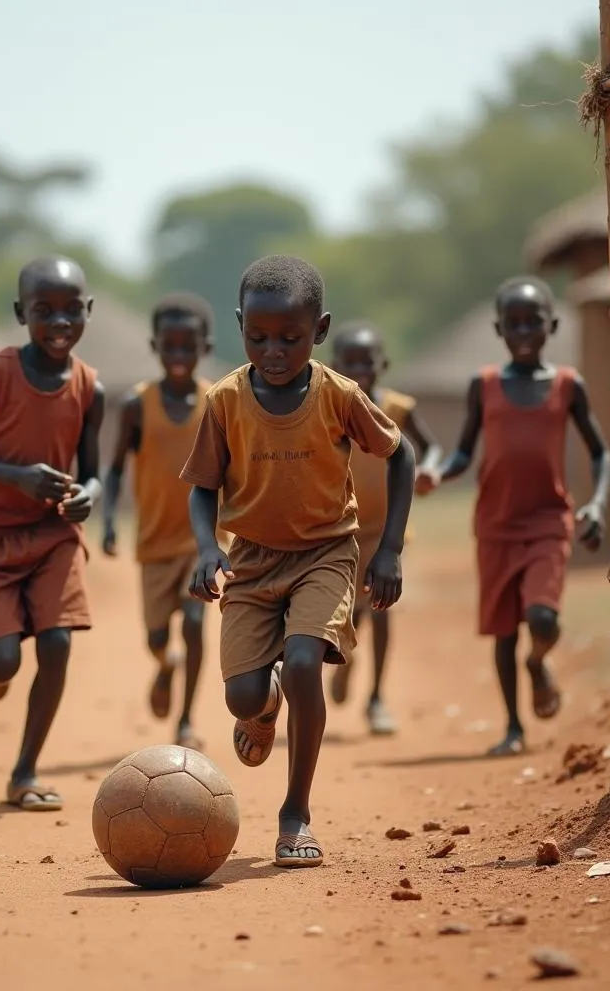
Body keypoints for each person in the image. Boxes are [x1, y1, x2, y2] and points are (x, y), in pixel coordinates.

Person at [180, 254, 415, 869]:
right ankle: (264, 707)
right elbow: (203, 486)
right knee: (241, 696)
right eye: (258, 337)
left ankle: (295, 814)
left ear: (321, 329)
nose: (274, 350)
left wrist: (388, 547)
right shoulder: (225, 400)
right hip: (252, 561)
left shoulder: (340, 395)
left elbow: (400, 453)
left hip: (325, 552)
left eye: (291, 337)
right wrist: (208, 548)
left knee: (307, 660)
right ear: (240, 327)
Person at [416, 276, 610, 757]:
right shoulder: (484, 386)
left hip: (548, 520)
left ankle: (538, 663)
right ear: (499, 329)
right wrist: (438, 473)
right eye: (514, 324)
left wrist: (597, 504)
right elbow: (463, 452)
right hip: (496, 525)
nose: (524, 332)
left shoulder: (567, 386)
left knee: (542, 619)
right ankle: (513, 726)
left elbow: (600, 453)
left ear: (553, 325)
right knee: (504, 631)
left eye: (534, 322)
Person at [0, 254, 104, 811]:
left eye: (71, 310)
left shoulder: (89, 388)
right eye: (44, 310)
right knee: (4, 662)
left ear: (88, 311)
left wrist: (89, 497)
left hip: (53, 534)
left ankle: (25, 772)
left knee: (57, 643)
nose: (60, 322)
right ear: (20, 313)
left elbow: (95, 470)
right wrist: (18, 479)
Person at [101, 292, 216, 751]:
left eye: (188, 347)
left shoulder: (217, 402)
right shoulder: (136, 405)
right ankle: (164, 665)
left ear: (204, 346)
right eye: (170, 347)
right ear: (155, 347)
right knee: (155, 636)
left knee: (193, 622)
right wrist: (107, 519)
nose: (179, 356)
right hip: (152, 543)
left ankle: (186, 719)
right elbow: (113, 471)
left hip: (199, 540)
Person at [328, 322, 441, 735]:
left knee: (381, 609)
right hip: (339, 529)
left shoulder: (395, 409)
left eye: (367, 362)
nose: (359, 370)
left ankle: (376, 697)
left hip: (385, 530)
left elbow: (430, 447)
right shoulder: (330, 408)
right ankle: (345, 659)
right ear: (334, 366)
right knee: (341, 613)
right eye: (349, 363)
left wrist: (430, 469)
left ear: (383, 365)